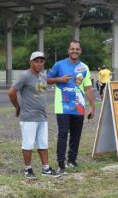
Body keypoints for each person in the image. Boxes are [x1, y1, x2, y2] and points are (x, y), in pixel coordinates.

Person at [8, 51, 60, 179]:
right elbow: (11, 92)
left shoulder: (42, 76)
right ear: (30, 62)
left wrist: (60, 79)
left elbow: (40, 93)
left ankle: (46, 169)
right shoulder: (25, 76)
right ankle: (28, 169)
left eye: (41, 61)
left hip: (42, 116)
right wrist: (17, 106)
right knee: (28, 144)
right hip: (29, 116)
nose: (39, 63)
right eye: (36, 61)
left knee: (43, 143)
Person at [47, 40, 95, 174]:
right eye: (72, 49)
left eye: (77, 49)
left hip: (79, 107)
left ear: (80, 51)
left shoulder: (84, 67)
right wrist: (59, 80)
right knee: (63, 134)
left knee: (76, 135)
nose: (75, 51)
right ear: (68, 50)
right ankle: (61, 164)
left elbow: (88, 88)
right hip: (62, 106)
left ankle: (72, 161)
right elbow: (45, 79)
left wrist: (92, 106)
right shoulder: (59, 65)